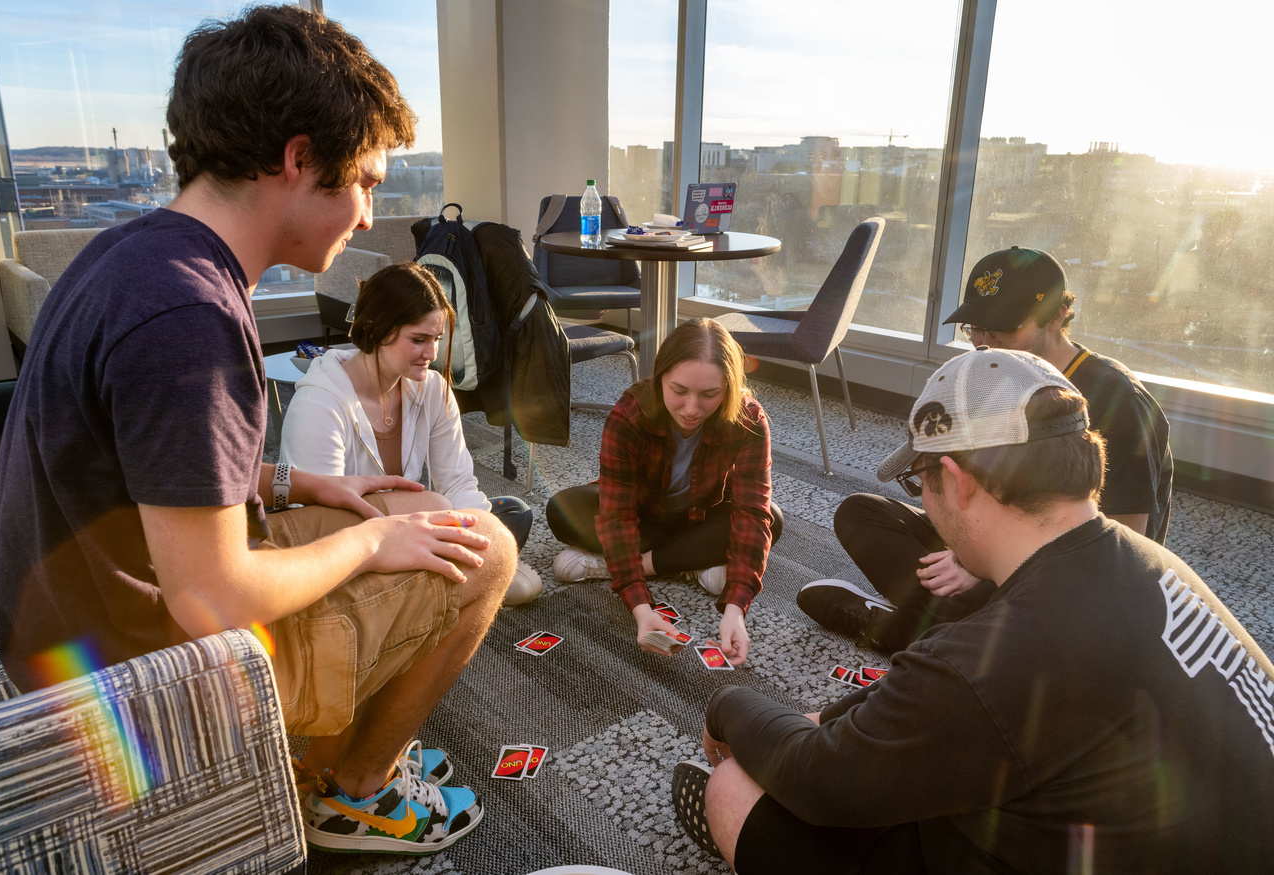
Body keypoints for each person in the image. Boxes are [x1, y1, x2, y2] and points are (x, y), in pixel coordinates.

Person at [0, 6, 515, 857]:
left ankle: (338, 746)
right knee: (484, 548)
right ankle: (354, 789)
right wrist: (369, 543)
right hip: (138, 679)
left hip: (67, 620)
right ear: (299, 159)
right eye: (367, 181)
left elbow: (139, 470)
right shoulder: (191, 317)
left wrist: (298, 484)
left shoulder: (127, 256)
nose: (370, 213)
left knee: (396, 506)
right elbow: (214, 601)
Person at [675, 348, 1274, 874]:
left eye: (918, 481)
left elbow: (821, 782)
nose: (923, 502)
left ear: (957, 481)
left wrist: (728, 705)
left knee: (734, 786)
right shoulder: (1150, 562)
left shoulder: (996, 655)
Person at [800, 247, 1174, 651]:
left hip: (1068, 567)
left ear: (1057, 316)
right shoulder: (996, 372)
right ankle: (954, 636)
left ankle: (908, 633)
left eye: (1000, 328)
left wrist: (982, 568)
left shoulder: (1117, 398)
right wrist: (968, 551)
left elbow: (1121, 546)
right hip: (995, 537)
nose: (983, 341)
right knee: (860, 513)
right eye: (974, 326)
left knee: (1025, 606)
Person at [279, 262, 541, 605]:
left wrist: (484, 538)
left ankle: (440, 583)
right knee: (457, 526)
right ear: (375, 329)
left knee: (513, 512)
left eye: (436, 340)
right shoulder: (318, 404)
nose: (431, 355)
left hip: (411, 525)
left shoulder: (432, 389)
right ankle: (432, 588)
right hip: (349, 547)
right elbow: (320, 524)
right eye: (418, 340)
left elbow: (459, 483)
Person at [545, 318, 782, 665]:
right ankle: (692, 563)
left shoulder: (749, 420)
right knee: (562, 509)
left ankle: (627, 564)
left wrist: (736, 610)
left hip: (702, 516)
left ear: (729, 389)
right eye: (679, 390)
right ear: (660, 378)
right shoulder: (630, 414)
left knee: (771, 520)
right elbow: (617, 516)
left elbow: (751, 511)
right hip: (647, 518)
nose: (691, 409)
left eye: (710, 395)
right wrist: (642, 609)